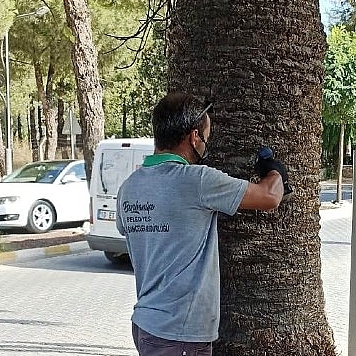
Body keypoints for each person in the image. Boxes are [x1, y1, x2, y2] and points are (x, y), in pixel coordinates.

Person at [116, 92, 289, 356]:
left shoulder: (129, 187)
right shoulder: (196, 180)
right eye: (206, 138)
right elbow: (269, 197)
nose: (205, 146)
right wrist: (274, 171)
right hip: (180, 333)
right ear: (194, 137)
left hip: (147, 326)